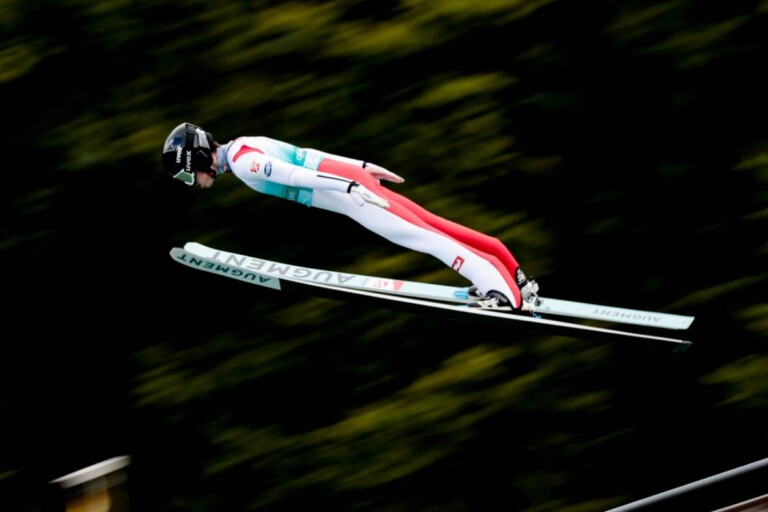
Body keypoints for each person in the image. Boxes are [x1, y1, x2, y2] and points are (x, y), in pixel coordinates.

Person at [162, 122, 539, 312]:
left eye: (185, 174)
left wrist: (348, 185)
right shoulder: (245, 144)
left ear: (193, 158)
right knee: (434, 225)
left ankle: (502, 293)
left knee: (423, 237)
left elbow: (295, 174)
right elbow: (306, 152)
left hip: (352, 195)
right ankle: (515, 279)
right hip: (352, 185)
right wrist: (359, 168)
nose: (192, 183)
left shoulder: (245, 162)